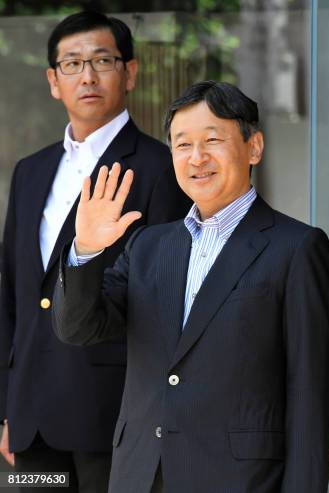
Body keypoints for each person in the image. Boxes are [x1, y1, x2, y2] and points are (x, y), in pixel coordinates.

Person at [52, 81, 329, 493]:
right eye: (182, 144)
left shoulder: (296, 248)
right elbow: (77, 328)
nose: (197, 157)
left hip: (241, 481)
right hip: (140, 476)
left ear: (253, 147)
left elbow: (311, 395)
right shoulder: (148, 245)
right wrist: (85, 251)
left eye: (212, 140)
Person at [0, 11, 190, 492]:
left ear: (129, 72)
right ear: (52, 80)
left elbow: (170, 296)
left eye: (102, 60)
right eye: (71, 63)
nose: (86, 75)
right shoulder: (30, 171)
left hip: (113, 416)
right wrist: (7, 407)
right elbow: (12, 293)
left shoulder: (162, 169)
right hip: (32, 422)